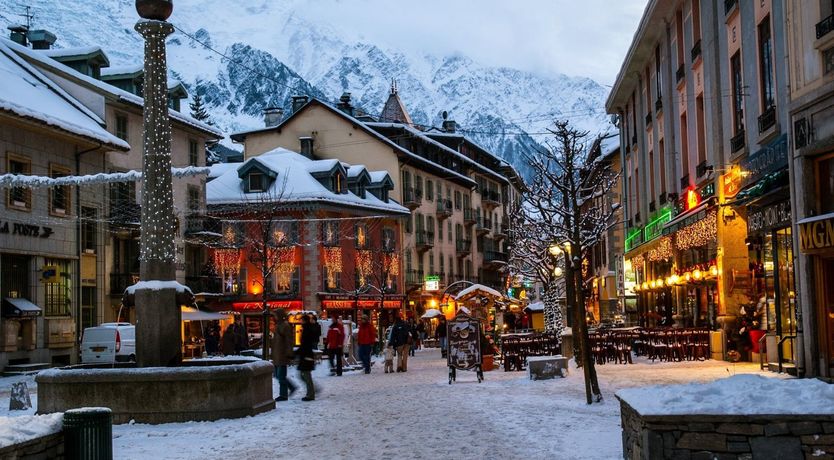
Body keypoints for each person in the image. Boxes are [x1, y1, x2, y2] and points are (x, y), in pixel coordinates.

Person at [271, 309, 297, 402]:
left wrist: (289, 353)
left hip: (282, 355)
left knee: (281, 376)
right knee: (278, 376)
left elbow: (289, 341)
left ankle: (283, 394)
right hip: (277, 354)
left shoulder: (285, 326)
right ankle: (291, 387)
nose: (275, 317)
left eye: (276, 315)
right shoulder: (278, 325)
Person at [298, 314, 318, 401]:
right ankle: (312, 390)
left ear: (305, 321)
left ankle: (311, 394)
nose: (300, 322)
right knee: (303, 375)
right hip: (305, 355)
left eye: (301, 320)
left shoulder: (307, 330)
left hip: (307, 356)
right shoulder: (306, 329)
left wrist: (298, 352)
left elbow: (306, 344)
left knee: (306, 375)